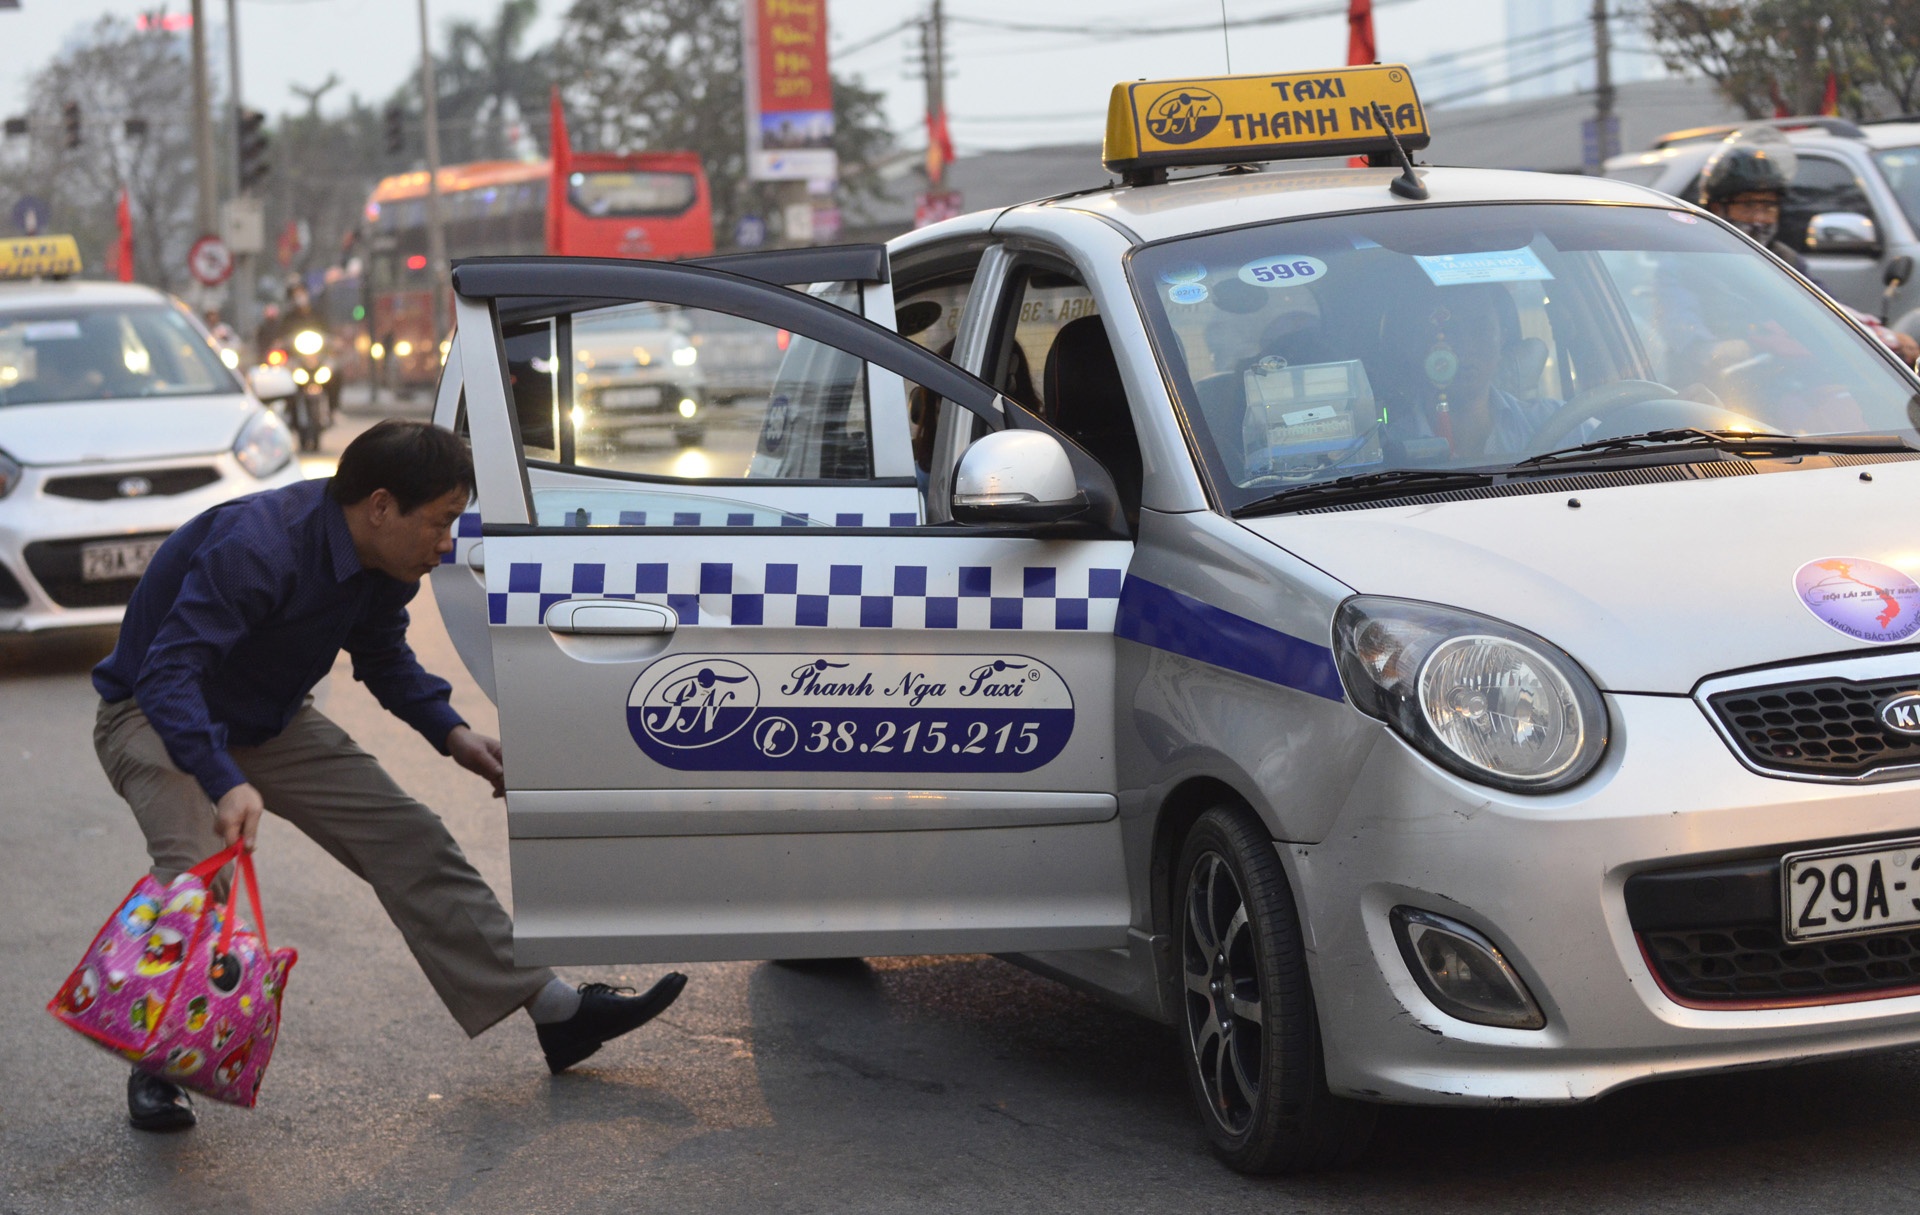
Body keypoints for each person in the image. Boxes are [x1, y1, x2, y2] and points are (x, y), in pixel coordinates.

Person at [91, 420, 686, 1132]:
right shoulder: (259, 548)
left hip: (266, 720)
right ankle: (159, 1063)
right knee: (195, 869)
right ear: (380, 506)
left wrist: (453, 732)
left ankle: (556, 1011)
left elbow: (382, 654)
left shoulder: (381, 565)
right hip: (155, 714)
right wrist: (223, 778)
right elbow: (167, 676)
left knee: (411, 836)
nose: (446, 543)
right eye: (439, 522)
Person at [1696, 142, 1920, 365]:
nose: (1760, 218)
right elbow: (1681, 332)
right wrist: (1713, 349)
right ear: (1716, 209)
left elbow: (1828, 311)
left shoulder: (1785, 259)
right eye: (1748, 206)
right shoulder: (1689, 260)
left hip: (1790, 377)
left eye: (1769, 207)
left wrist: (1880, 335)